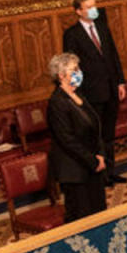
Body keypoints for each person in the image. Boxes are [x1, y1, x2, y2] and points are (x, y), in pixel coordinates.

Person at [62, 0, 127, 185]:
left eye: (94, 5)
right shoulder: (72, 34)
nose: (94, 9)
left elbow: (113, 55)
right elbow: (72, 66)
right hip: (91, 92)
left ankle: (111, 170)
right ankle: (101, 174)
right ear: (78, 11)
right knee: (96, 135)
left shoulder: (102, 27)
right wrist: (77, 93)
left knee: (109, 134)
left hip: (110, 88)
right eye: (89, 7)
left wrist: (120, 82)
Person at [46, 52, 107, 222]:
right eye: (74, 69)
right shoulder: (57, 102)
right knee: (82, 218)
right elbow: (67, 139)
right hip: (75, 170)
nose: (79, 72)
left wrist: (100, 154)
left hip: (92, 165)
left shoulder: (78, 95)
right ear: (61, 75)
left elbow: (95, 126)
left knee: (100, 215)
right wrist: (93, 161)